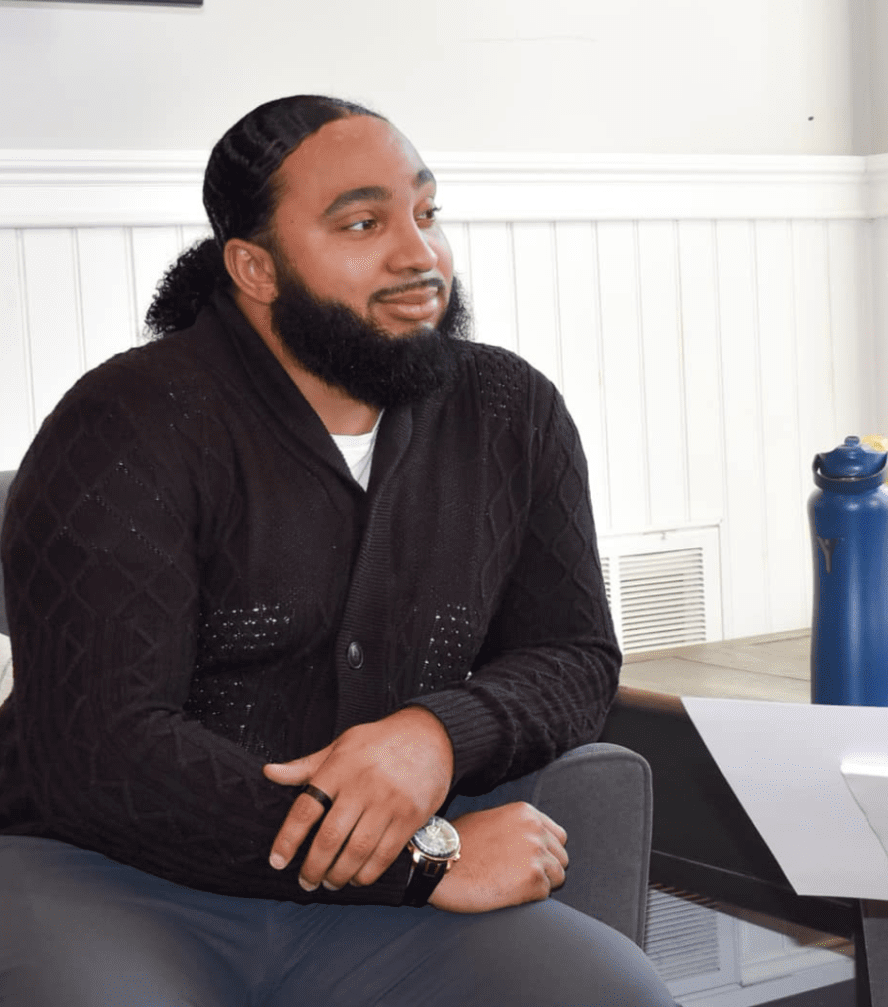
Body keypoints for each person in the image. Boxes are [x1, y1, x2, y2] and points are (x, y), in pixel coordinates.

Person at [0, 95, 675, 1006]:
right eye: (363, 223)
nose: (418, 255)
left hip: (380, 918)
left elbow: (576, 658)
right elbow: (104, 751)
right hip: (108, 877)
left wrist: (435, 734)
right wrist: (419, 859)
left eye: (425, 214)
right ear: (254, 267)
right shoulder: (123, 424)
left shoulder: (508, 412)